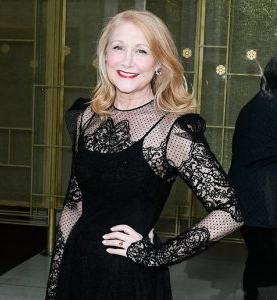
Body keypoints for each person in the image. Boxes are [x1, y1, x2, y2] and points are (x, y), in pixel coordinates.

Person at [46, 10, 243, 300]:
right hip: (77, 269)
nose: (127, 61)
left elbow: (230, 212)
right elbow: (74, 206)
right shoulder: (85, 117)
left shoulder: (172, 130)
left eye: (142, 50)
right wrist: (54, 287)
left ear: (160, 63)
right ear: (104, 56)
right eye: (118, 47)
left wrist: (156, 256)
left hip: (129, 279)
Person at [228, 54, 277, 300]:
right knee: (269, 271)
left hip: (250, 202)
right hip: (265, 206)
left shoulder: (256, 103)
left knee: (260, 263)